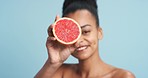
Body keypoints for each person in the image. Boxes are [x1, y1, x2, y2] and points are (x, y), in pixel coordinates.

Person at [35, 0, 135, 78]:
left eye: (86, 31)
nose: (78, 41)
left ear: (99, 33)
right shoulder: (59, 72)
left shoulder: (122, 76)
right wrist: (53, 62)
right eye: (72, 34)